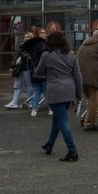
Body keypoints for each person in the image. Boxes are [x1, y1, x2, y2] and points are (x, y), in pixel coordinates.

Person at [34, 31, 83, 162]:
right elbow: (78, 76)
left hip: (55, 91)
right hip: (69, 91)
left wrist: (48, 76)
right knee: (57, 119)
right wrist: (79, 95)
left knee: (63, 121)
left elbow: (37, 72)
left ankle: (72, 151)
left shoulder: (46, 55)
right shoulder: (72, 54)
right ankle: (49, 144)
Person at [77, 30, 98, 131]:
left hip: (81, 76)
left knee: (91, 99)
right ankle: (89, 123)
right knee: (93, 102)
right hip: (93, 76)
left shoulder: (83, 44)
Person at [5, 32, 35, 109]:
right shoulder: (22, 45)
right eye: (25, 37)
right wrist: (12, 66)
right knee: (17, 85)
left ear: (31, 38)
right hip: (20, 67)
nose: (25, 38)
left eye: (27, 37)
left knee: (29, 85)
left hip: (27, 67)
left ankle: (30, 102)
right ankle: (14, 102)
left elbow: (29, 56)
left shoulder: (33, 46)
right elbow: (18, 56)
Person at [28, 28, 49, 117]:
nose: (44, 34)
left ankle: (34, 109)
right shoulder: (41, 44)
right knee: (46, 91)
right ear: (38, 34)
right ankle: (51, 109)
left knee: (37, 91)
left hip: (35, 71)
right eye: (42, 33)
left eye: (44, 32)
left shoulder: (34, 44)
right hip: (42, 71)